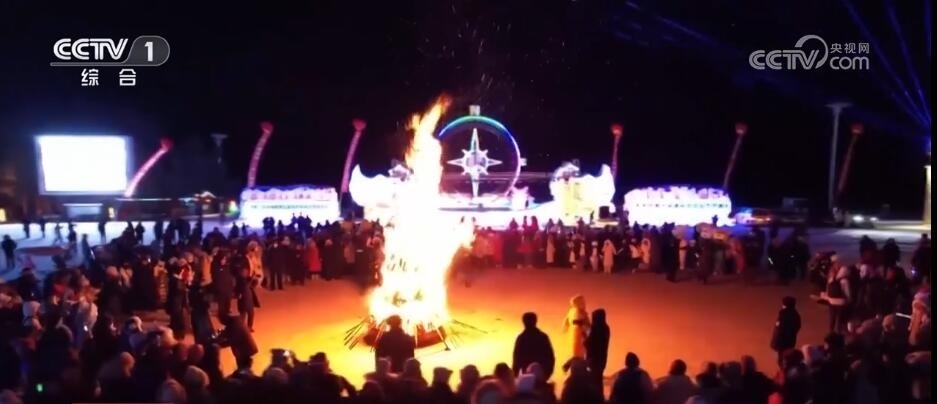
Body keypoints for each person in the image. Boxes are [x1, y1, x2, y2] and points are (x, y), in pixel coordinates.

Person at [511, 312, 556, 379]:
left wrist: (515, 375)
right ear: (535, 321)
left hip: (527, 375)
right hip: (541, 374)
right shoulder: (543, 337)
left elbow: (516, 358)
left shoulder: (522, 338)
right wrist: (547, 373)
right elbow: (550, 357)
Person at [584, 308, 610, 389]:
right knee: (598, 379)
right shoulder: (606, 328)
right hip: (602, 359)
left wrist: (584, 336)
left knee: (594, 381)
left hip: (594, 359)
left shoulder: (595, 329)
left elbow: (590, 343)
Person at [771, 296, 801, 363]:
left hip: (781, 341)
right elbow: (798, 327)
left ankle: (783, 367)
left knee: (781, 358)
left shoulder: (783, 313)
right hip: (791, 340)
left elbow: (779, 328)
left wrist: (776, 341)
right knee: (788, 357)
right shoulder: (796, 314)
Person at [563, 295, 590, 360]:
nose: (584, 304)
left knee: (577, 354)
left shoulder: (571, 312)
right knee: (579, 355)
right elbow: (584, 325)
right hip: (579, 337)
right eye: (582, 302)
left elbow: (566, 325)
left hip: (575, 337)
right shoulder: (580, 312)